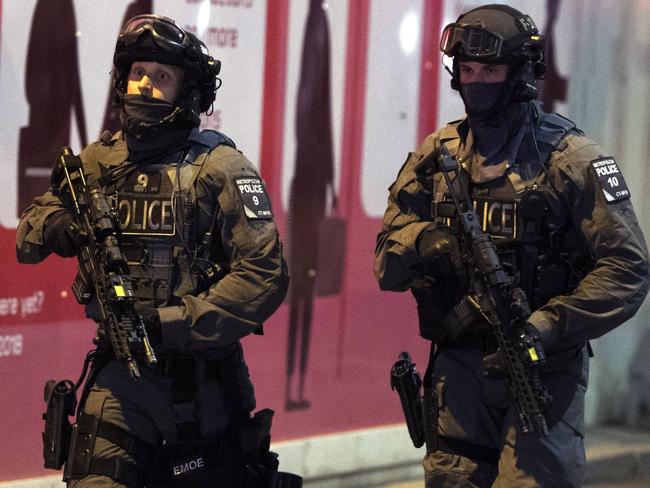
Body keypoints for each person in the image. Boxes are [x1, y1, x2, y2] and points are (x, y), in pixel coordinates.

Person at [375, 4, 649, 487]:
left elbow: (627, 269)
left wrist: (547, 325)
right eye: (468, 70)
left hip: (542, 368)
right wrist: (424, 241)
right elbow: (386, 264)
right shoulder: (436, 156)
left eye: (491, 70)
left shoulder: (571, 159)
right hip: (458, 369)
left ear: (520, 74)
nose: (476, 81)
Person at [17, 14, 291, 487]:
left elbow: (264, 275)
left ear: (188, 92)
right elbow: (28, 235)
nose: (144, 85)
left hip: (203, 386)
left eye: (161, 76)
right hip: (119, 380)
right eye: (138, 72)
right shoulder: (99, 161)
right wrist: (59, 225)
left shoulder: (221, 167)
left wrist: (171, 324)